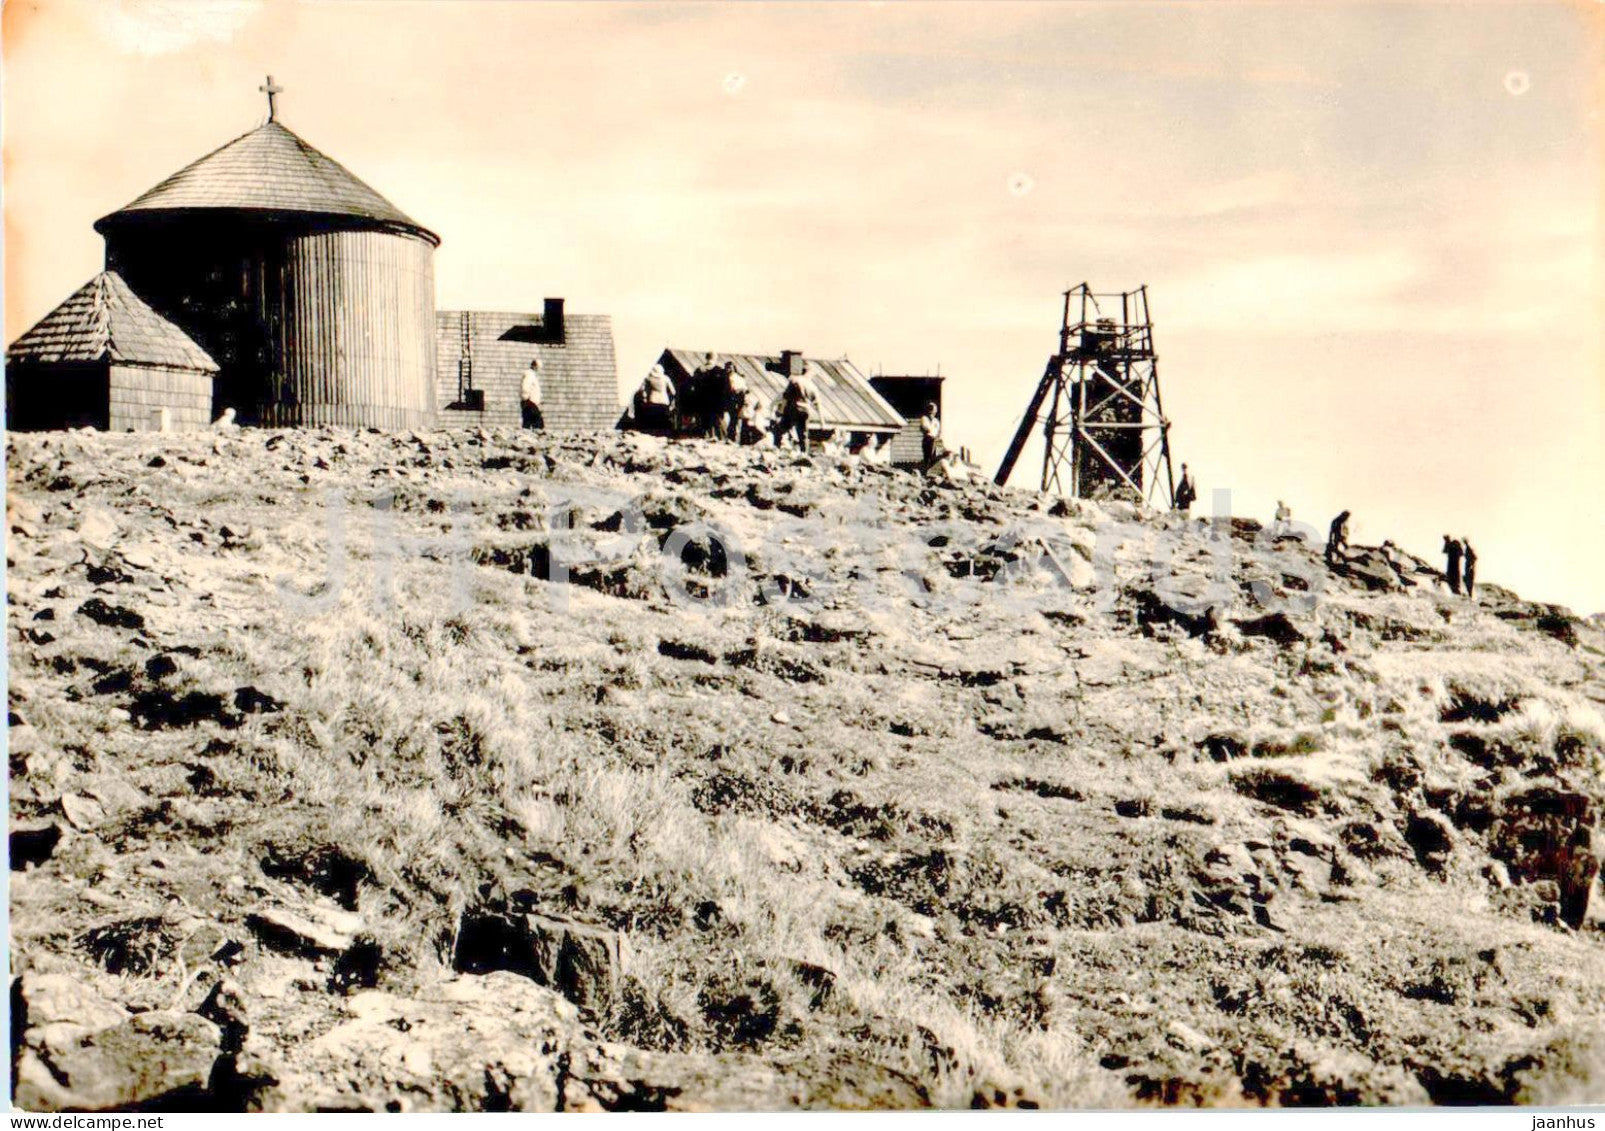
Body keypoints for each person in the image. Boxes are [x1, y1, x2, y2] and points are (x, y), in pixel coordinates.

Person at [775, 367, 819, 450]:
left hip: (793, 408)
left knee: (779, 429)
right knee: (803, 434)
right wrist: (821, 420)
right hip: (805, 409)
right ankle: (804, 453)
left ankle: (776, 448)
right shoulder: (811, 385)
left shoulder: (795, 380)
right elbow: (817, 403)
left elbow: (786, 397)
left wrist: (780, 410)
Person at [638, 364, 676, 434]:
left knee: (654, 418)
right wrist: (672, 402)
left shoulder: (649, 378)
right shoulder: (666, 378)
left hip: (653, 399)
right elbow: (673, 392)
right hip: (664, 400)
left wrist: (645, 399)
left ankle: (652, 432)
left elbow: (643, 390)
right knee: (663, 418)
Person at [720, 363, 749, 441]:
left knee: (734, 419)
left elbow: (744, 389)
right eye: (727, 368)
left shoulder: (736, 378)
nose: (728, 370)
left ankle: (731, 436)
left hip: (735, 400)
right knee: (731, 419)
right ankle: (729, 435)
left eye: (730, 368)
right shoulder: (725, 378)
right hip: (729, 400)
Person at [520, 357, 544, 429]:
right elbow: (525, 387)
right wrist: (526, 399)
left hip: (531, 402)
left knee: (528, 422)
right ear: (535, 366)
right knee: (538, 423)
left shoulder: (532, 375)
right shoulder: (529, 375)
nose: (539, 369)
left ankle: (527, 436)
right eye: (539, 367)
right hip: (529, 402)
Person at [919, 402, 943, 467]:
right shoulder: (924, 418)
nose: (934, 412)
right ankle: (927, 469)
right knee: (927, 455)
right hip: (928, 438)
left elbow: (938, 430)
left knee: (936, 455)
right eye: (933, 410)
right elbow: (926, 428)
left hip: (935, 438)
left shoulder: (936, 421)